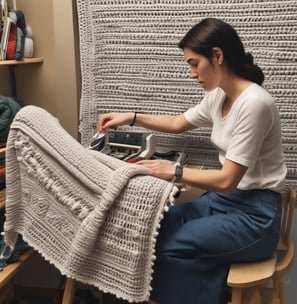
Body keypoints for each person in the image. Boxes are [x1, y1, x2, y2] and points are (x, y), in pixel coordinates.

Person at [98, 18, 287, 304]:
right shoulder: (219, 97)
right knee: (154, 229)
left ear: (218, 56)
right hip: (225, 203)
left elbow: (226, 180)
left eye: (193, 63)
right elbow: (177, 122)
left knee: (168, 247)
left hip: (256, 216)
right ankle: (212, 288)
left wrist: (173, 171)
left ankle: (212, 295)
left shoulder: (255, 104)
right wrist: (131, 117)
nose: (191, 73)